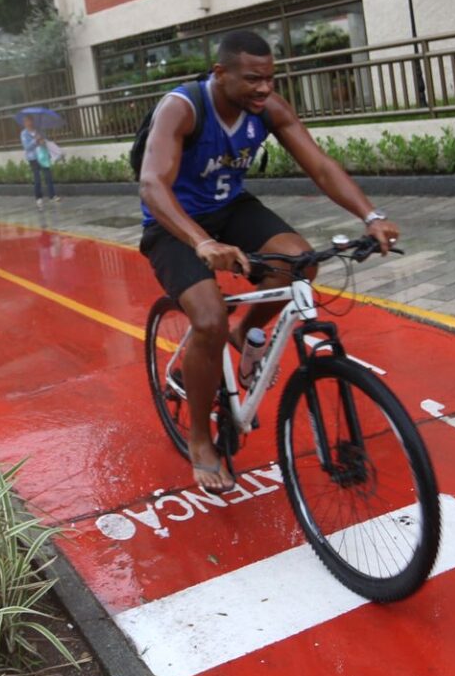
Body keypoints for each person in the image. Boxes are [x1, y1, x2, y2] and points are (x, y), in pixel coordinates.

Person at [138, 30, 400, 495]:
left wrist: (371, 216)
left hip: (230, 208)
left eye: (270, 79)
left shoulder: (268, 109)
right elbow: (152, 185)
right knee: (209, 318)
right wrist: (202, 242)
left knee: (300, 262)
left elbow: (320, 166)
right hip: (174, 223)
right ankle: (200, 439)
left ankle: (245, 331)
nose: (264, 88)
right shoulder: (183, 108)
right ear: (221, 73)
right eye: (253, 79)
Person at [20, 114, 59, 208]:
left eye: (30, 121)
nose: (29, 123)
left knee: (48, 176)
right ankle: (38, 198)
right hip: (33, 158)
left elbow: (45, 142)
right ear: (24, 123)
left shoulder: (39, 131)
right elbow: (27, 147)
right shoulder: (24, 134)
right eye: (26, 121)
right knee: (37, 178)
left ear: (33, 121)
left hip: (43, 156)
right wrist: (35, 141)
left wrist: (42, 142)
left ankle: (52, 196)